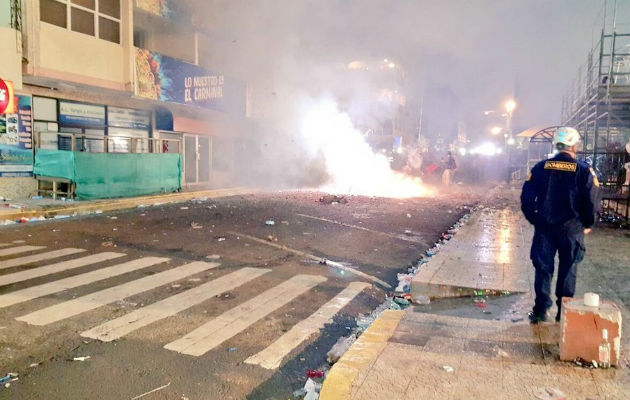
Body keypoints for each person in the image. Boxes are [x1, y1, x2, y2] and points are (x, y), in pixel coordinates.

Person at [520, 126, 601, 324]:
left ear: (556, 144)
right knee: (568, 270)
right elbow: (592, 201)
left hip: (545, 228)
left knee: (543, 268)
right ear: (574, 145)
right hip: (572, 230)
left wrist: (536, 219)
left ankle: (540, 311)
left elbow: (527, 199)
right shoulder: (584, 171)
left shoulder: (540, 168)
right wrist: (588, 224)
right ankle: (563, 313)